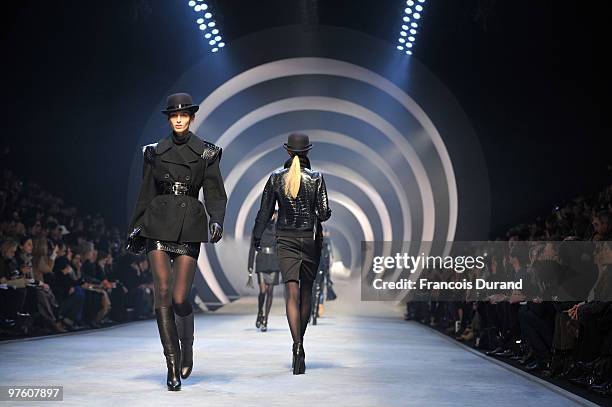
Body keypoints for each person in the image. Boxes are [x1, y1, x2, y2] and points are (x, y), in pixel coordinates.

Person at [127, 92, 227, 391]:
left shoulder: (207, 153)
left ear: (192, 117)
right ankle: (171, 364)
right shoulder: (154, 152)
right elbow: (146, 192)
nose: (179, 118)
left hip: (190, 224)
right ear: (170, 119)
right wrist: (136, 228)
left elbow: (214, 190)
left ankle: (188, 348)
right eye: (174, 115)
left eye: (184, 114)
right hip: (157, 222)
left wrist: (216, 218)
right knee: (163, 292)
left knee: (181, 297)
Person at [252, 133, 331, 375]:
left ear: (287, 152)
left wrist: (256, 236)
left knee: (291, 292)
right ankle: (301, 344)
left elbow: (264, 211)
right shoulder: (316, 178)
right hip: (309, 240)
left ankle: (296, 346)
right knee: (306, 292)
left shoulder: (276, 177)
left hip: (285, 240)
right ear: (308, 151)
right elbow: (324, 213)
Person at [247, 210, 281, 332]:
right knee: (263, 290)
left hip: (274, 261)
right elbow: (252, 247)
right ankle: (260, 311)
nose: (273, 215)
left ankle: (265, 318)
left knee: (270, 291)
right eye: (272, 212)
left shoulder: (279, 228)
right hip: (261, 260)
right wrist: (249, 266)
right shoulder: (258, 228)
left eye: (275, 213)